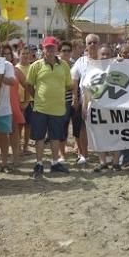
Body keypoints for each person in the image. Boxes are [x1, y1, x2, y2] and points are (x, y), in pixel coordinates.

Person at [26, 36, 72, 178]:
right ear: (43, 49)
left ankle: (55, 163)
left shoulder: (64, 65)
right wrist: (37, 97)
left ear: (56, 48)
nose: (50, 50)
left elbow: (68, 85)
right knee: (39, 138)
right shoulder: (36, 65)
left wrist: (57, 94)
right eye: (47, 47)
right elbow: (29, 84)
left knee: (55, 137)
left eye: (53, 47)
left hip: (58, 108)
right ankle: (39, 164)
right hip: (40, 108)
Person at [70, 34, 101, 166]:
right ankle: (84, 155)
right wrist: (75, 98)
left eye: (95, 42)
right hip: (85, 100)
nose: (93, 45)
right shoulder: (81, 61)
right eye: (90, 43)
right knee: (83, 128)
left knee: (103, 128)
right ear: (86, 45)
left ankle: (103, 156)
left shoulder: (106, 59)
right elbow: (74, 80)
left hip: (103, 101)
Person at [0, 40, 18, 173]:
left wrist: (0, 77)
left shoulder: (7, 65)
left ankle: (5, 163)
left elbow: (12, 81)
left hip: (3, 108)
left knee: (3, 136)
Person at [2, 43, 25, 165]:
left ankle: (15, 157)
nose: (6, 55)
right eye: (3, 53)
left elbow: (27, 85)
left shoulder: (16, 70)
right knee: (2, 133)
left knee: (14, 132)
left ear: (11, 55)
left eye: (8, 53)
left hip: (13, 103)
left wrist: (26, 101)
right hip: (1, 103)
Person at [17, 44, 35, 156]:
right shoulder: (15, 68)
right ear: (19, 55)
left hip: (31, 100)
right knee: (19, 125)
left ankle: (26, 146)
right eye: (23, 53)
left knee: (28, 125)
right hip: (18, 100)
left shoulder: (33, 67)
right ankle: (17, 146)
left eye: (27, 53)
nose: (25, 55)